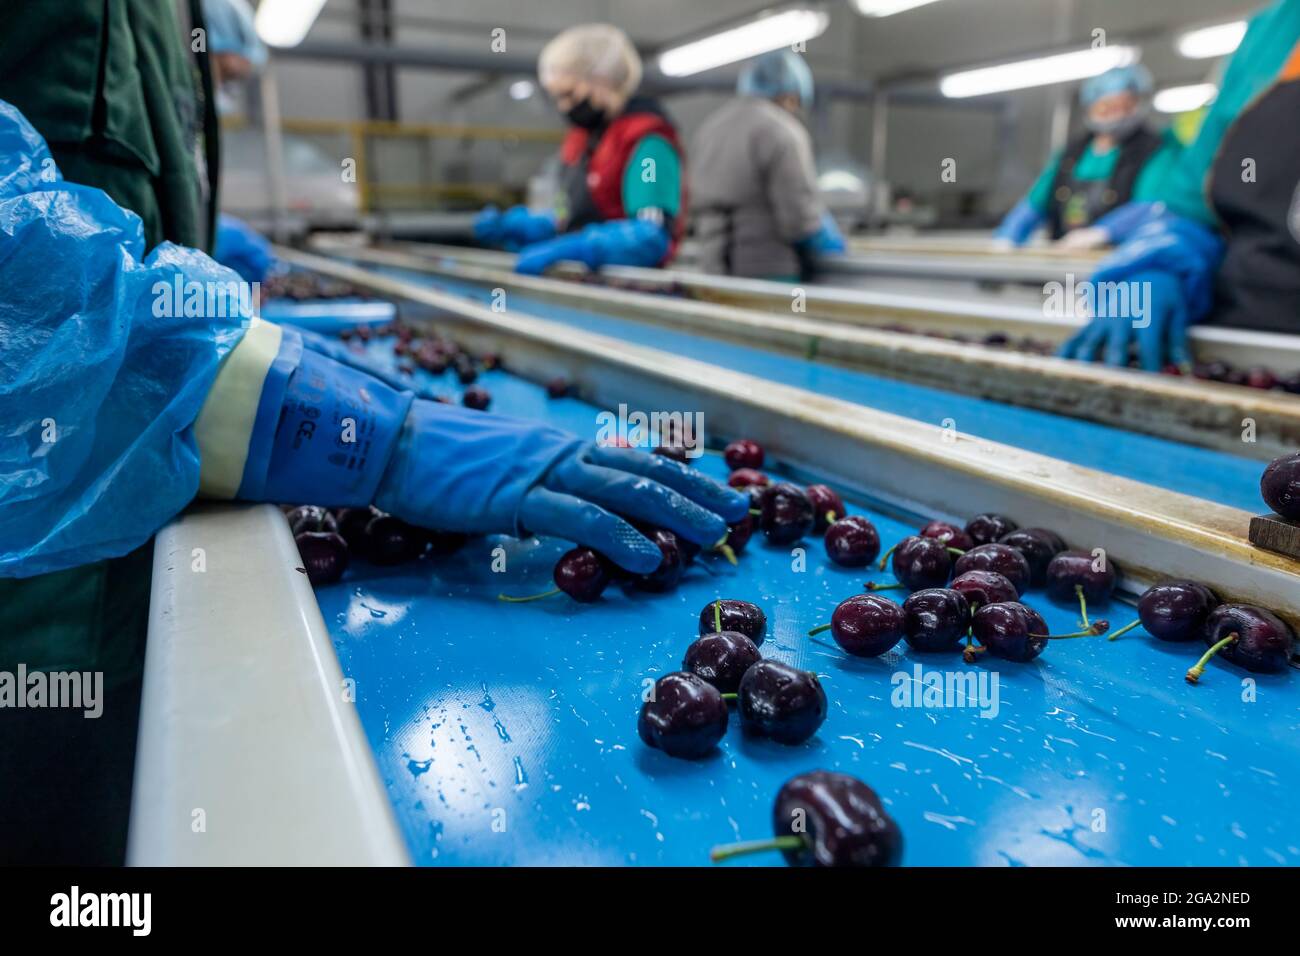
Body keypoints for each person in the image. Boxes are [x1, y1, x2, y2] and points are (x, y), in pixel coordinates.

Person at [0, 49, 743, 869]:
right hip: (38, 589)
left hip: (122, 497)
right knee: (55, 803)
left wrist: (226, 343)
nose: (565, 100)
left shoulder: (642, 141)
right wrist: (274, 400)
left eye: (572, 87)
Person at [1059, 0, 1300, 368]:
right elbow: (1192, 210)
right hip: (1257, 347)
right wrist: (1160, 264)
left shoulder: (1155, 150)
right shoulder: (1273, 35)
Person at [472, 24, 686, 276]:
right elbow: (569, 215)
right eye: (558, 98)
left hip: (631, 292)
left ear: (603, 80)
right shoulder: (581, 143)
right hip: (585, 287)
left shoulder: (649, 147)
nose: (564, 108)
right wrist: (531, 226)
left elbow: (651, 235)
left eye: (571, 95)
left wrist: (582, 248)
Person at [689, 50, 845, 281]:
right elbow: (799, 219)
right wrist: (833, 245)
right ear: (791, 96)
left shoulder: (709, 129)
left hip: (713, 273)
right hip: (768, 276)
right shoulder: (782, 131)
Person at [994, 64, 1182, 251]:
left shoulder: (1156, 149)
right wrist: (1009, 236)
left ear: (1138, 105)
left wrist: (1103, 232)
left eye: (1124, 106)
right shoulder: (1072, 153)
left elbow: (1151, 205)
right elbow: (1035, 203)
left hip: (1122, 260)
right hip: (1064, 262)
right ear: (1091, 106)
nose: (1115, 113)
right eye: (1106, 106)